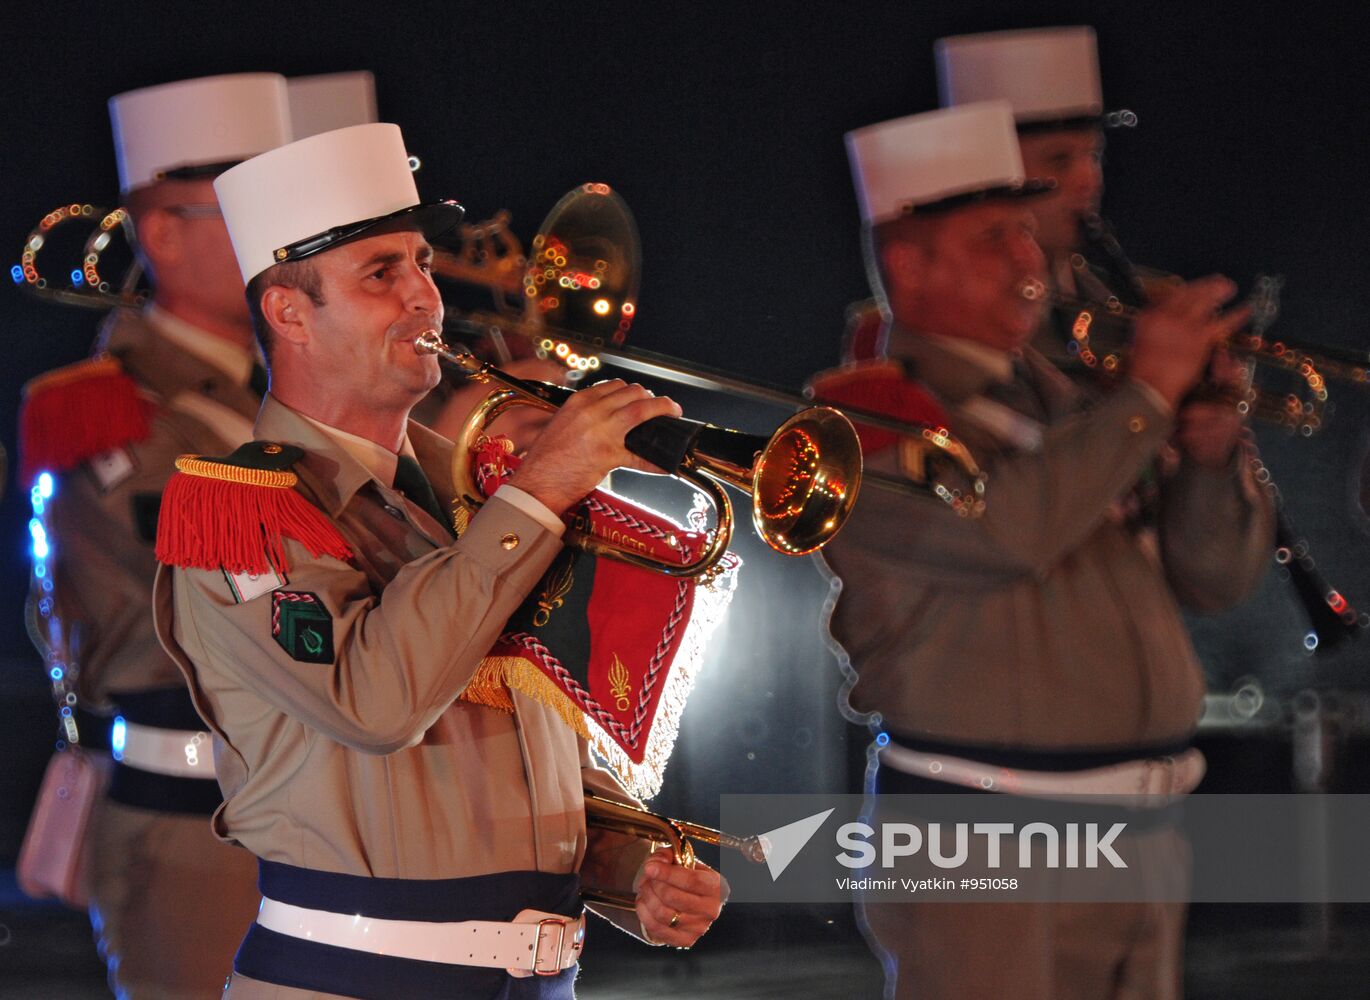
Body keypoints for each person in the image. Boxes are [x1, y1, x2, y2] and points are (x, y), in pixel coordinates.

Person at [151, 122, 725, 999]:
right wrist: (539, 492)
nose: (426, 296)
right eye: (382, 273)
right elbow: (376, 705)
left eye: (422, 262)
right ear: (289, 311)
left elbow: (525, 750)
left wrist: (628, 864)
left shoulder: (467, 501)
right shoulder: (240, 511)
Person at [817, 101, 1275, 999]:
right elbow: (1005, 529)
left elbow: (1216, 582)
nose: (1031, 262)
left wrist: (1211, 451)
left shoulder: (1077, 405)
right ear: (911, 264)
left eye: (1030, 234)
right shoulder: (865, 417)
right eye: (995, 238)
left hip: (1142, 835)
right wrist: (1147, 392)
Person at [17, 73, 295, 998]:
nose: (281, 236)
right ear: (163, 235)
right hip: (196, 826)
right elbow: (164, 610)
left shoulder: (284, 388)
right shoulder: (100, 413)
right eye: (246, 209)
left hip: (316, 809)